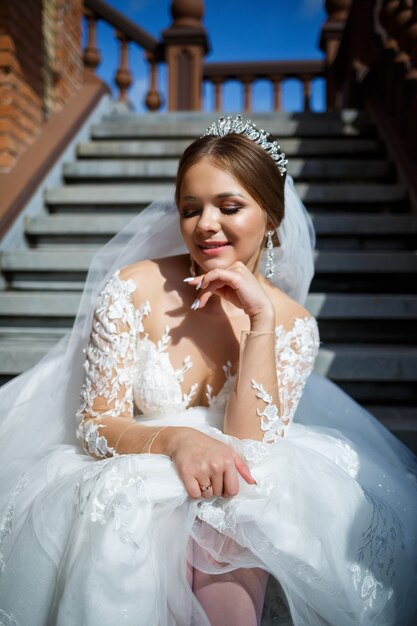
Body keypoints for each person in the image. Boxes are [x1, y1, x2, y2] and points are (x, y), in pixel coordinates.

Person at [0, 115, 416, 626]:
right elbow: (96, 424)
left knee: (247, 493)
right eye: (190, 209)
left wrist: (260, 321)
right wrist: (177, 441)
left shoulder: (293, 323)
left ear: (272, 217)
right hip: (138, 456)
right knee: (141, 512)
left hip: (238, 475)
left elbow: (251, 441)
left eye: (230, 206)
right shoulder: (134, 288)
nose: (206, 225)